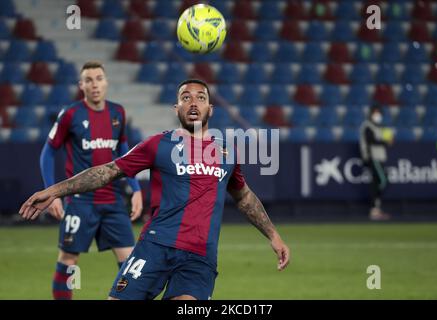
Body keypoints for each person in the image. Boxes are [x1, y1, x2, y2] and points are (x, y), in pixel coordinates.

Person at [21, 79, 290, 300]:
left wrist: (273, 235)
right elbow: (108, 171)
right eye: (185, 97)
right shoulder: (157, 145)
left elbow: (243, 196)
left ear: (210, 109)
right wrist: (56, 190)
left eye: (200, 97)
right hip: (155, 247)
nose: (193, 102)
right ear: (176, 108)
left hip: (200, 257)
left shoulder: (227, 152)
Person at [39, 61, 143, 299]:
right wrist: (51, 192)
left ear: (106, 83)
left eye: (99, 78)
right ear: (81, 85)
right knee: (68, 260)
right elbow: (47, 153)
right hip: (80, 202)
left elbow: (125, 152)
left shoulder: (118, 113)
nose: (94, 84)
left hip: (114, 201)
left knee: (131, 264)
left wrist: (136, 188)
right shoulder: (70, 115)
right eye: (88, 80)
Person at [359, 105, 392, 221]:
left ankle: (375, 209)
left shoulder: (379, 126)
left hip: (380, 157)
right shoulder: (367, 126)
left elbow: (383, 139)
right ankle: (374, 209)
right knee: (382, 180)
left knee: (377, 182)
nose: (377, 115)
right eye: (375, 112)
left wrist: (388, 141)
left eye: (379, 113)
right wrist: (385, 142)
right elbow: (371, 140)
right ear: (371, 113)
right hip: (373, 157)